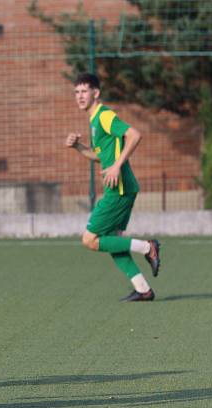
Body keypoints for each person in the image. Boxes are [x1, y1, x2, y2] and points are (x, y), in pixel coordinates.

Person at [65, 73, 160, 301]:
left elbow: (134, 135)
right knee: (112, 240)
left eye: (84, 91)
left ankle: (148, 247)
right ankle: (143, 289)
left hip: (119, 190)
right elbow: (99, 156)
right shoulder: (94, 120)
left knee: (90, 239)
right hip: (120, 188)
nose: (79, 96)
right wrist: (78, 146)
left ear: (95, 93)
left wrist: (117, 165)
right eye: (76, 92)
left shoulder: (104, 116)